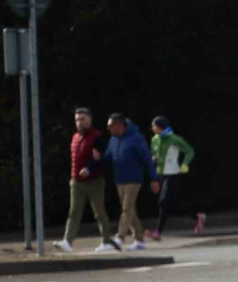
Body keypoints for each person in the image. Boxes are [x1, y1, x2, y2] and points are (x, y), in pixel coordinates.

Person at [57, 107, 111, 253]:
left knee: (99, 211)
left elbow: (99, 157)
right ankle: (67, 241)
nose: (79, 123)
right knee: (74, 211)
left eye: (82, 119)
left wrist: (89, 168)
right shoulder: (75, 137)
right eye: (77, 120)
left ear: (90, 119)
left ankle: (106, 241)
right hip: (76, 181)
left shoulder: (97, 136)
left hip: (94, 180)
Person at [105, 113, 156, 252]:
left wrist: (153, 179)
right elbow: (108, 157)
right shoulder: (113, 140)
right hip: (119, 179)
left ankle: (119, 238)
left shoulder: (136, 138)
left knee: (126, 209)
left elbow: (147, 159)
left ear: (119, 125)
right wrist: (96, 162)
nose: (108, 128)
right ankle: (139, 240)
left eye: (110, 126)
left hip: (134, 179)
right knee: (130, 210)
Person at [148, 116, 199, 240]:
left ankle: (158, 232)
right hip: (161, 174)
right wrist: (153, 160)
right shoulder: (154, 139)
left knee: (163, 201)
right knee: (173, 202)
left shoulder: (174, 139)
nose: (152, 128)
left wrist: (185, 163)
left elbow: (189, 151)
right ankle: (198, 218)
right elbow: (153, 155)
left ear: (160, 126)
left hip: (173, 174)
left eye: (154, 125)